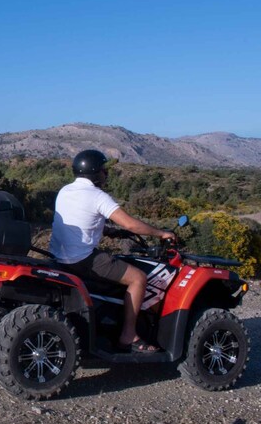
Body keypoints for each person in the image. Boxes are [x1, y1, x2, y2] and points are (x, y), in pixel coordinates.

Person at [49, 149, 175, 353]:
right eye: (103, 170)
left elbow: (81, 220)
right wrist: (161, 233)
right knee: (138, 278)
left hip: (59, 257)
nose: (106, 174)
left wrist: (109, 231)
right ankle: (129, 336)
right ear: (95, 173)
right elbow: (131, 225)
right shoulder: (98, 196)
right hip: (82, 259)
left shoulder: (65, 191)